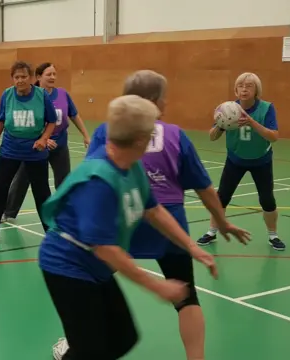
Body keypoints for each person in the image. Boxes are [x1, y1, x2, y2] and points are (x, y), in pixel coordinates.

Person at [51, 70, 251, 360]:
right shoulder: (176, 135)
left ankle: (74, 342)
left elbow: (94, 176)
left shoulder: (107, 132)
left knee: (90, 285)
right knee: (188, 298)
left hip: (124, 221)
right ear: (156, 101)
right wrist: (221, 222)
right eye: (165, 98)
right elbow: (205, 188)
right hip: (169, 223)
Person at [197, 72, 284, 250]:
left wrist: (252, 122)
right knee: (221, 197)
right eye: (241, 86)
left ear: (256, 90)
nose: (244, 90)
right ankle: (212, 231)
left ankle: (273, 236)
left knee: (267, 200)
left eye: (249, 86)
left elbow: (274, 136)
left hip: (261, 161)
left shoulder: (266, 108)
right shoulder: (228, 108)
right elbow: (212, 137)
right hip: (235, 160)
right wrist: (221, 124)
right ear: (236, 90)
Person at [0, 61, 57, 243]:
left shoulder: (41, 95)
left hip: (35, 152)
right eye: (16, 77)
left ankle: (51, 232)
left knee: (42, 192)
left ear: (32, 79)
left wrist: (43, 139)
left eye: (24, 77)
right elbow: (1, 119)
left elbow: (52, 121)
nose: (20, 80)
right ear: (13, 79)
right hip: (10, 149)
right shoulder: (7, 95)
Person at [2, 62, 90, 223]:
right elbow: (30, 121)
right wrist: (44, 138)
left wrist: (85, 135)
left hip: (60, 145)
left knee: (63, 180)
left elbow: (74, 115)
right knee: (22, 179)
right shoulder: (35, 96)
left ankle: (65, 212)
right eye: (49, 74)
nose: (53, 77)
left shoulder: (63, 94)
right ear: (38, 77)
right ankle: (9, 212)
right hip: (37, 146)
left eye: (54, 74)